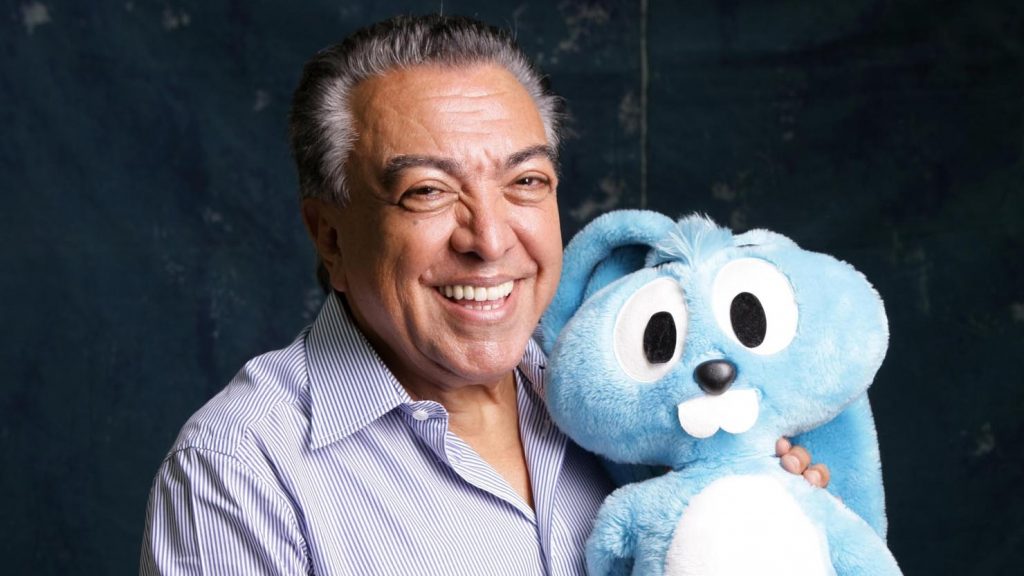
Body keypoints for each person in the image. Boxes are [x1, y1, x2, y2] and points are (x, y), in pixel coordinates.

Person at [140, 14, 827, 575]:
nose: (491, 240)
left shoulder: (640, 396)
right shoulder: (240, 472)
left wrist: (769, 514)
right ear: (330, 236)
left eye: (524, 182)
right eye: (428, 192)